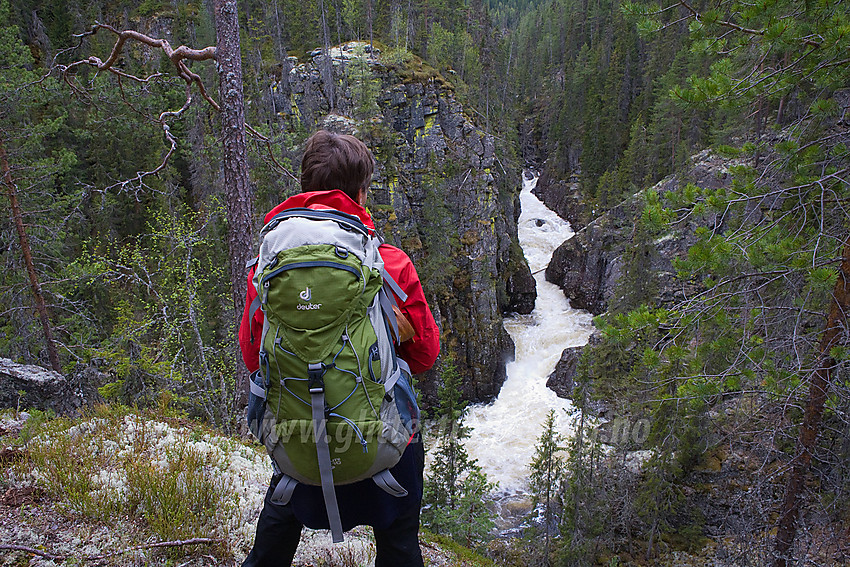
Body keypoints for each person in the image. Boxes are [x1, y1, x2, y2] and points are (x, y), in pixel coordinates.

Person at [239, 130, 440, 567]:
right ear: (361, 193)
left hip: (300, 448)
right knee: (401, 541)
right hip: (379, 451)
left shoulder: (268, 268)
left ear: (306, 188)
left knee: (275, 527)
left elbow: (253, 358)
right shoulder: (389, 265)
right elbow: (425, 356)